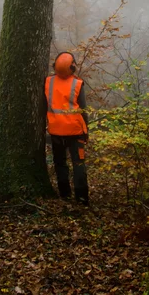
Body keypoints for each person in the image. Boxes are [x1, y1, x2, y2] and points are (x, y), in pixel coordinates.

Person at [45, 52, 89, 205]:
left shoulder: (48, 82)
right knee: (78, 163)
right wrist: (86, 131)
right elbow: (83, 110)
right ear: (72, 67)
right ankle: (82, 198)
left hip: (55, 131)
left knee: (60, 163)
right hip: (75, 132)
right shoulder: (77, 84)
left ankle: (64, 194)